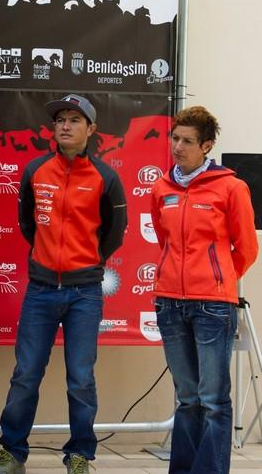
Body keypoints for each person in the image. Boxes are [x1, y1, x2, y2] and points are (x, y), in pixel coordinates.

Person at [0, 94, 127, 474]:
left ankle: (79, 455)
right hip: (41, 289)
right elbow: (27, 225)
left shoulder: (106, 178)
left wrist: (87, 262)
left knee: (81, 379)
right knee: (25, 375)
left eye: (74, 120)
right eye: (60, 119)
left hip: (85, 293)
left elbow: (114, 234)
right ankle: (12, 452)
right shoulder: (35, 170)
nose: (65, 126)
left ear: (91, 129)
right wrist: (48, 259)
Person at [150, 106, 258, 474]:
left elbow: (247, 248)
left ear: (206, 146)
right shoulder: (161, 187)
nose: (177, 147)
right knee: (187, 398)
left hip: (213, 305)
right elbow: (164, 239)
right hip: (169, 303)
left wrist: (217, 278)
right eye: (175, 138)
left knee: (213, 400)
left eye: (187, 141)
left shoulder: (231, 187)